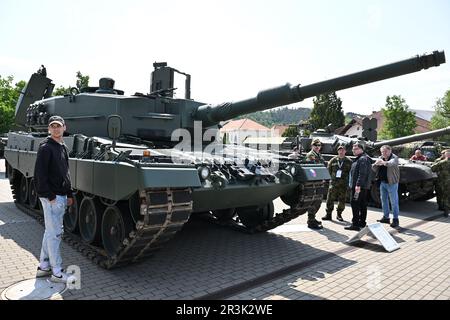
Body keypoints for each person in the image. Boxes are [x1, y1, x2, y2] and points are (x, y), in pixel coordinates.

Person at [34, 115, 75, 283]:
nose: (56, 128)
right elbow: (39, 175)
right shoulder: (46, 148)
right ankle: (57, 272)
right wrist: (50, 196)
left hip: (61, 195)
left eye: (59, 126)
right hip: (52, 197)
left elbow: (65, 172)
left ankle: (43, 266)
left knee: (50, 232)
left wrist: (70, 193)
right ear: (49, 129)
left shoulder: (62, 146)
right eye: (53, 126)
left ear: (64, 127)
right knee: (55, 234)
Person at [345, 143, 372, 231]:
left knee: (355, 204)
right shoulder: (362, 158)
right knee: (362, 204)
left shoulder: (362, 159)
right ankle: (362, 222)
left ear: (361, 149)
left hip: (359, 187)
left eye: (356, 149)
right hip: (362, 186)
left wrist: (358, 185)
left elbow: (362, 173)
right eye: (353, 148)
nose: (353, 150)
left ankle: (355, 224)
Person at [372, 145, 400, 227]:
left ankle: (395, 219)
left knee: (394, 202)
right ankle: (386, 217)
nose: (383, 153)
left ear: (390, 151)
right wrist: (376, 164)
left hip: (392, 183)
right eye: (382, 152)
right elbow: (373, 168)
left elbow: (391, 164)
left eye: (385, 151)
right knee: (384, 201)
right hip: (383, 183)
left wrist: (383, 162)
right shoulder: (381, 157)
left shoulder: (394, 157)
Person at [323, 145, 352, 222]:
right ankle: (328, 214)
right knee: (329, 199)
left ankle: (339, 214)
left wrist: (350, 183)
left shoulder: (349, 161)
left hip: (344, 184)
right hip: (333, 183)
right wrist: (326, 180)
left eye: (342, 150)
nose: (341, 152)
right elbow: (328, 171)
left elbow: (351, 173)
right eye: (339, 150)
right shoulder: (333, 160)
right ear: (337, 151)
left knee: (342, 200)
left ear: (345, 151)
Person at [305, 139, 325, 229]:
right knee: (314, 201)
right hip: (313, 182)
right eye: (315, 145)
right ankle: (311, 221)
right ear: (312, 146)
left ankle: (313, 218)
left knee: (318, 201)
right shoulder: (310, 155)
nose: (317, 147)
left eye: (319, 145)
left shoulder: (319, 155)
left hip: (319, 181)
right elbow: (312, 169)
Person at [431, 149, 450, 217]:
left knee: (447, 196)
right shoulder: (439, 161)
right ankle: (441, 207)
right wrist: (443, 161)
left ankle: (446, 210)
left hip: (447, 182)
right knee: (439, 194)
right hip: (440, 181)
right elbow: (433, 168)